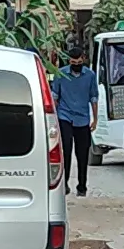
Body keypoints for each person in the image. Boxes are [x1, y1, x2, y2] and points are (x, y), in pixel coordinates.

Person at [50, 46, 99, 197]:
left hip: (82, 118)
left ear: (83, 60)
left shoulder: (90, 75)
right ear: (69, 61)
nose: (76, 64)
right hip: (64, 116)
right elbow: (55, 97)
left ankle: (82, 186)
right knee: (65, 151)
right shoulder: (61, 74)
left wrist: (95, 119)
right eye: (73, 62)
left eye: (79, 61)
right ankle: (63, 184)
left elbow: (93, 98)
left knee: (82, 153)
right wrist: (53, 120)